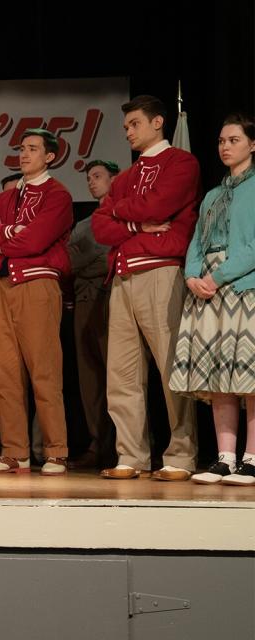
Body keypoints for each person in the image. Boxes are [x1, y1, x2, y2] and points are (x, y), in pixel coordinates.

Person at [93, 95, 200, 481]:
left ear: (158, 123)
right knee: (121, 374)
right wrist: (137, 224)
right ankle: (131, 455)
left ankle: (181, 455)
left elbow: (160, 204)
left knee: (172, 367)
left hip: (161, 272)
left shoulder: (182, 163)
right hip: (123, 278)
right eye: (126, 127)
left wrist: (123, 212)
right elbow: (100, 225)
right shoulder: (124, 177)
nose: (129, 132)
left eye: (134, 124)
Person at [0, 128, 73, 475]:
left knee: (44, 370)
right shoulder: (7, 197)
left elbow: (37, 240)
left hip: (38, 285)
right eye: (22, 148)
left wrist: (2, 237)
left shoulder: (58, 195)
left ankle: (56, 450)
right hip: (3, 287)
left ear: (50, 156)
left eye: (32, 149)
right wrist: (8, 233)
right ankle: (15, 450)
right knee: (5, 373)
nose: (24, 154)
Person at [170, 113, 255, 486]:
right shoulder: (213, 195)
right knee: (221, 375)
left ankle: (251, 459)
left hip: (241, 286)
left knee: (249, 377)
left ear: (252, 144)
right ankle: (224, 458)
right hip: (207, 288)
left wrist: (217, 278)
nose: (225, 147)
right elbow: (196, 242)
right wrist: (191, 275)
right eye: (222, 141)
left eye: (234, 140)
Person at [67, 159, 119, 468]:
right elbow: (69, 263)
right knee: (89, 377)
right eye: (88, 177)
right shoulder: (84, 224)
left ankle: (124, 445)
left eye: (98, 176)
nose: (91, 181)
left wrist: (91, 264)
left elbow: (111, 260)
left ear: (115, 179)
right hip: (85, 301)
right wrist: (92, 264)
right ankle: (97, 443)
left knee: (118, 375)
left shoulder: (121, 214)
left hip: (113, 297)